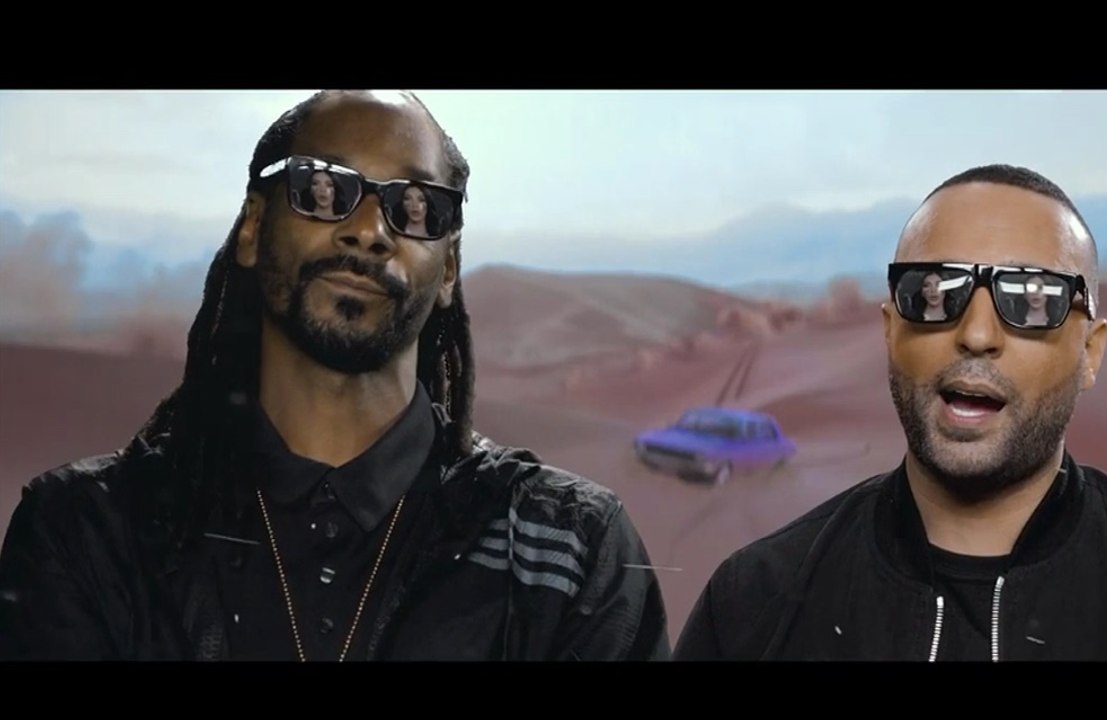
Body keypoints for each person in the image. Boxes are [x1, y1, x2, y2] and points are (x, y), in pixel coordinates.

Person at [0, 90, 671, 662]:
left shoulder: (568, 552)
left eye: (415, 207)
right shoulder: (87, 532)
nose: (369, 230)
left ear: (448, 270)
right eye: (324, 189)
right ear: (253, 228)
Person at [672, 164, 1107, 661]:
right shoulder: (756, 598)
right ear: (890, 331)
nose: (976, 333)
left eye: (1033, 300)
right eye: (934, 293)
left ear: (1090, 351)